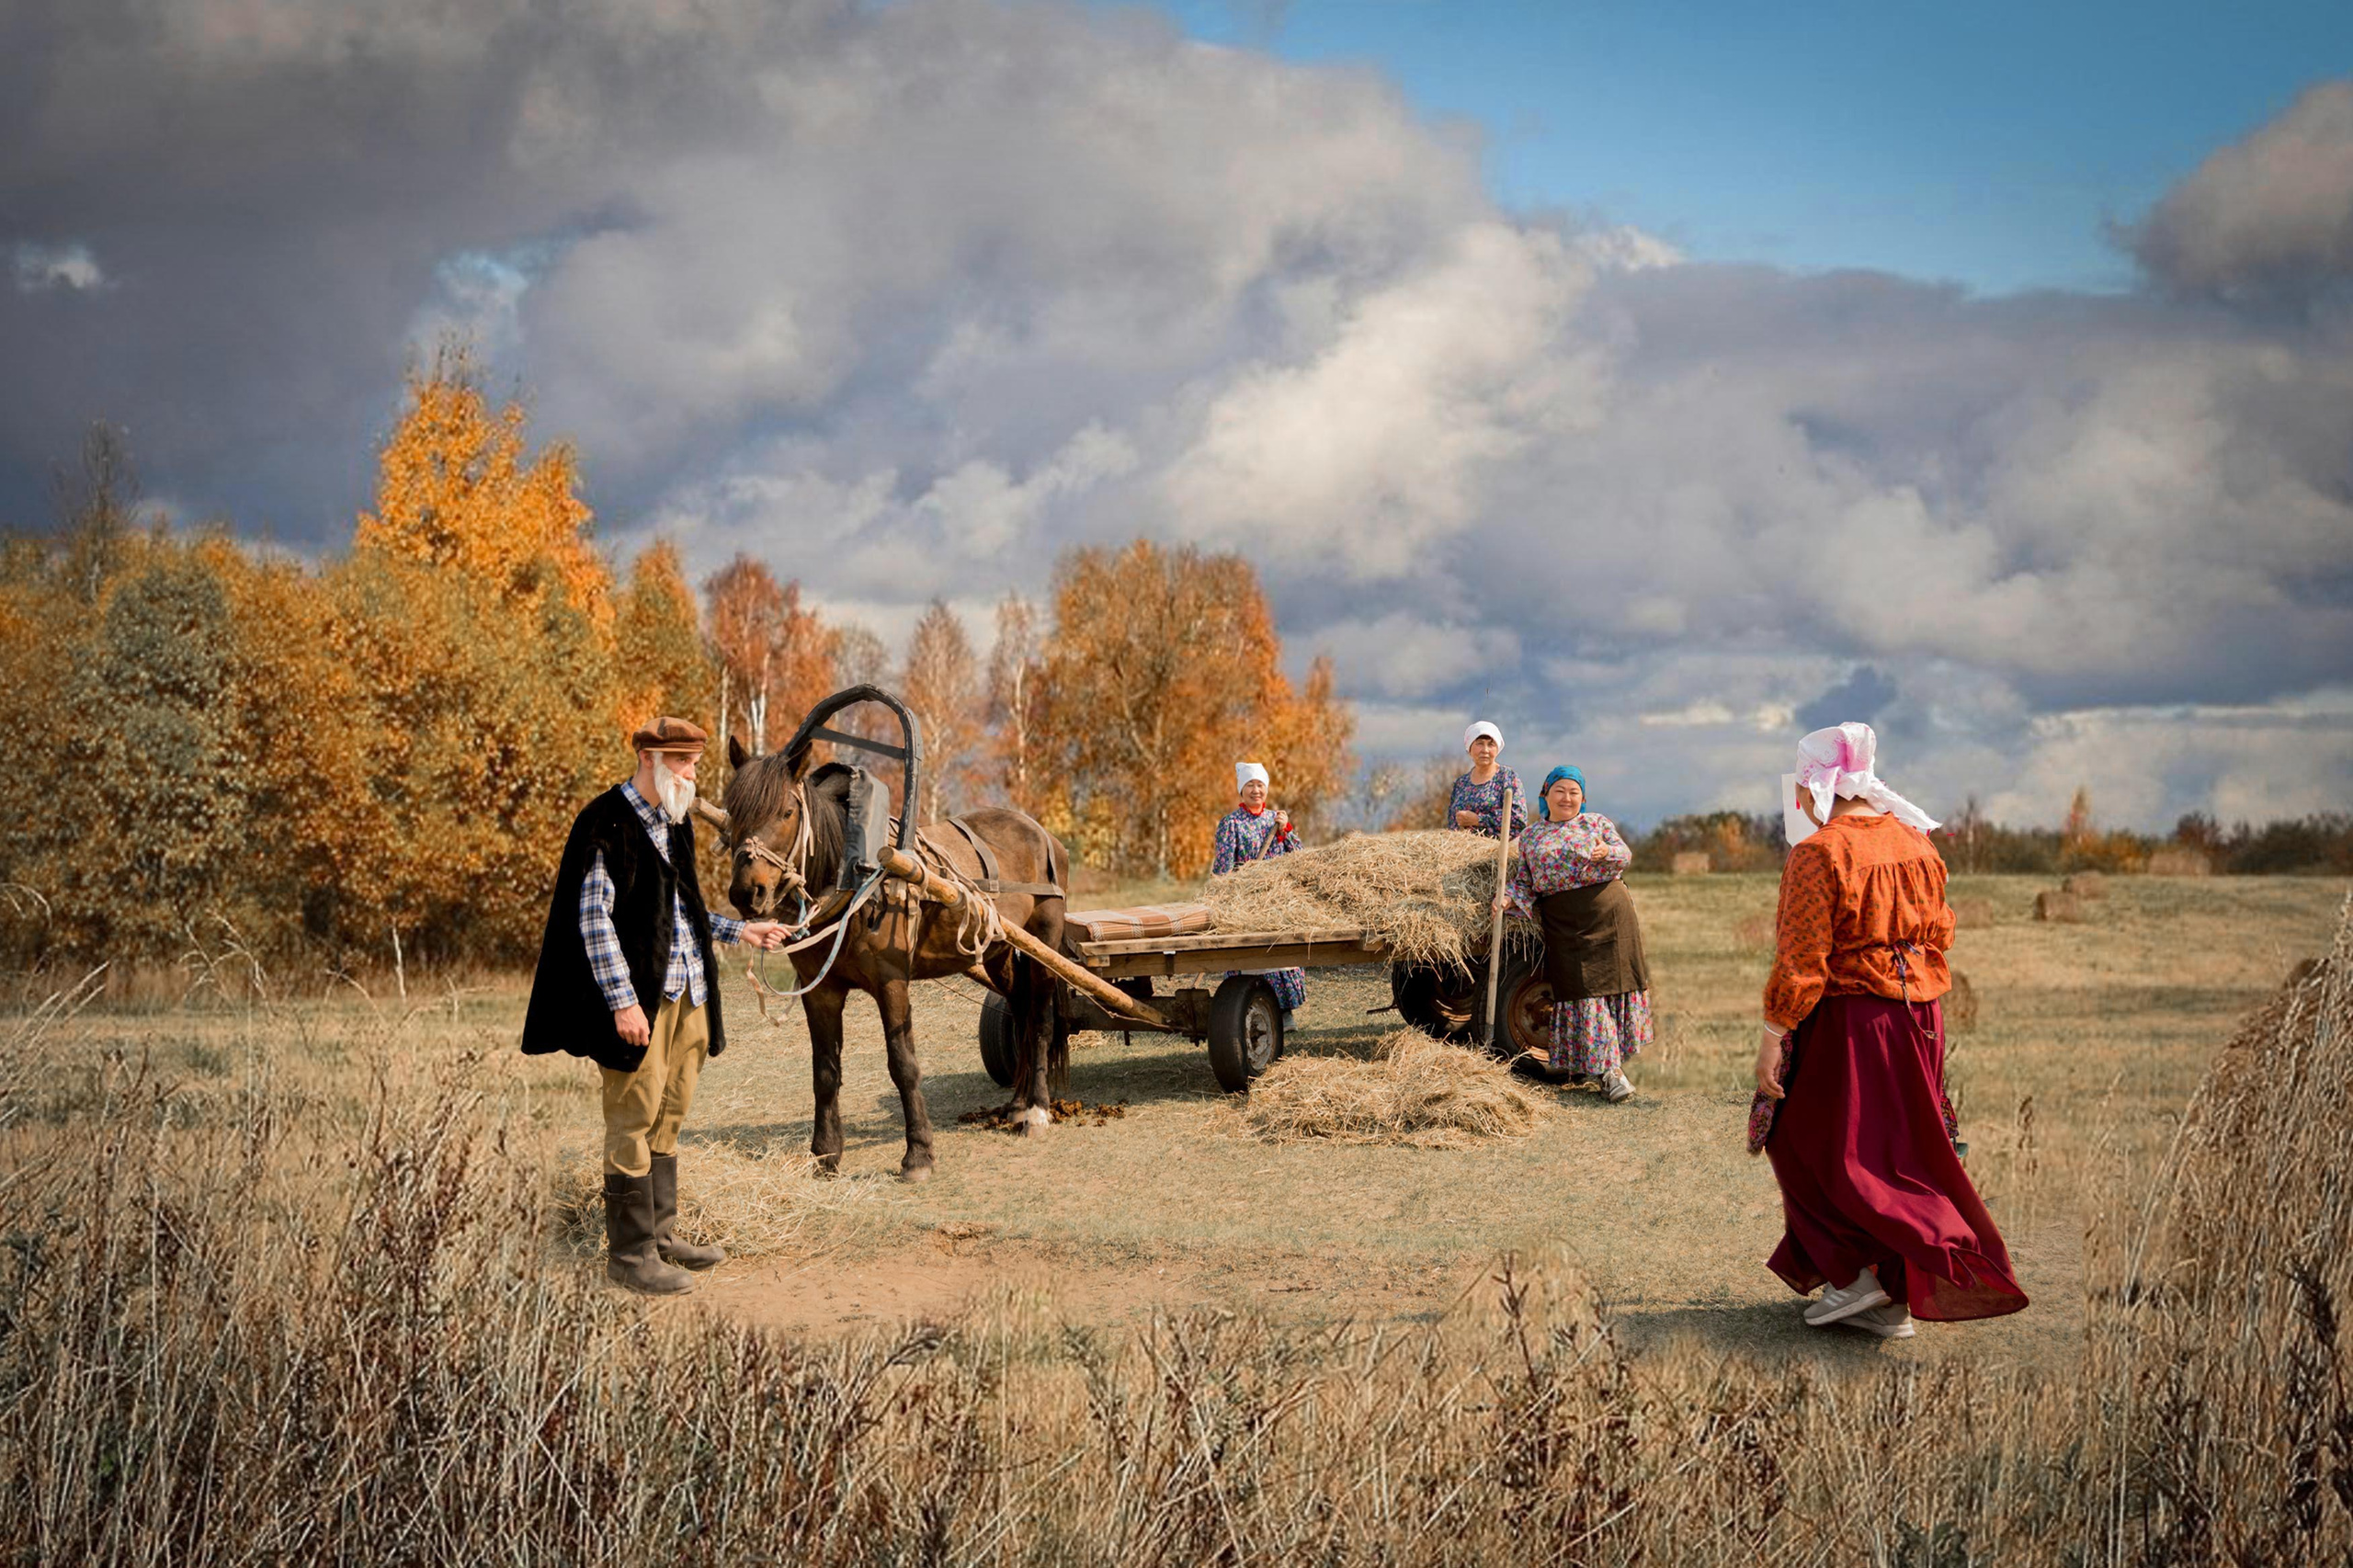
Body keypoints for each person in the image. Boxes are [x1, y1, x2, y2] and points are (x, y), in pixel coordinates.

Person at [1752, 722, 2027, 1338]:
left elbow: (1802, 958)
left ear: (1815, 785)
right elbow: (1943, 930)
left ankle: (1858, 1275)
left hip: (1854, 1014)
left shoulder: (1819, 852)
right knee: (1900, 1146)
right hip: (1920, 1015)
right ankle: (1885, 1297)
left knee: (1807, 1140)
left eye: (1800, 784)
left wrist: (1774, 1034)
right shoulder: (1917, 843)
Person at [521, 717, 790, 1296]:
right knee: (631, 1117)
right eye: (684, 763)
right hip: (639, 1004)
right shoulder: (605, 823)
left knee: (670, 1112)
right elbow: (593, 920)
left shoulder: (675, 823)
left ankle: (661, 1237)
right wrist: (622, 1003)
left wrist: (740, 933)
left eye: (694, 763)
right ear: (649, 758)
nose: (694, 775)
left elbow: (680, 910)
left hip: (688, 993)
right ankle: (629, 1254)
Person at [1497, 766, 1650, 1101]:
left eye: (1574, 792)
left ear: (1583, 798)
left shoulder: (1595, 823)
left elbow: (1625, 855)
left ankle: (1611, 1072)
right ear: (1546, 794)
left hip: (1609, 913)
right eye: (1560, 791)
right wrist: (1509, 898)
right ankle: (1606, 1067)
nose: (1567, 798)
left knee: (1611, 989)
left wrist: (1606, 852)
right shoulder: (1533, 837)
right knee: (1583, 991)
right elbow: (1525, 880)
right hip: (1563, 921)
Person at [1211, 760, 1306, 1030]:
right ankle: (1252, 1010)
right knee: (1253, 954)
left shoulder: (1275, 820)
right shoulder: (1231, 824)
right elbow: (1222, 869)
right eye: (1250, 785)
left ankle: (1285, 1012)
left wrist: (1287, 830)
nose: (1256, 790)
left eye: (1260, 785)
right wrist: (1230, 888)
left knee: (1281, 950)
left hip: (1276, 898)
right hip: (1247, 899)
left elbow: (1299, 857)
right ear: (1241, 790)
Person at [1448, 721, 1527, 838]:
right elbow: (1452, 823)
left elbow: (1519, 820)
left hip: (1498, 851)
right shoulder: (1461, 783)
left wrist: (1478, 820)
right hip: (1463, 851)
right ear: (1469, 748)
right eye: (1479, 744)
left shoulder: (1507, 777)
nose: (1485, 750)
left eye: (1491, 745)